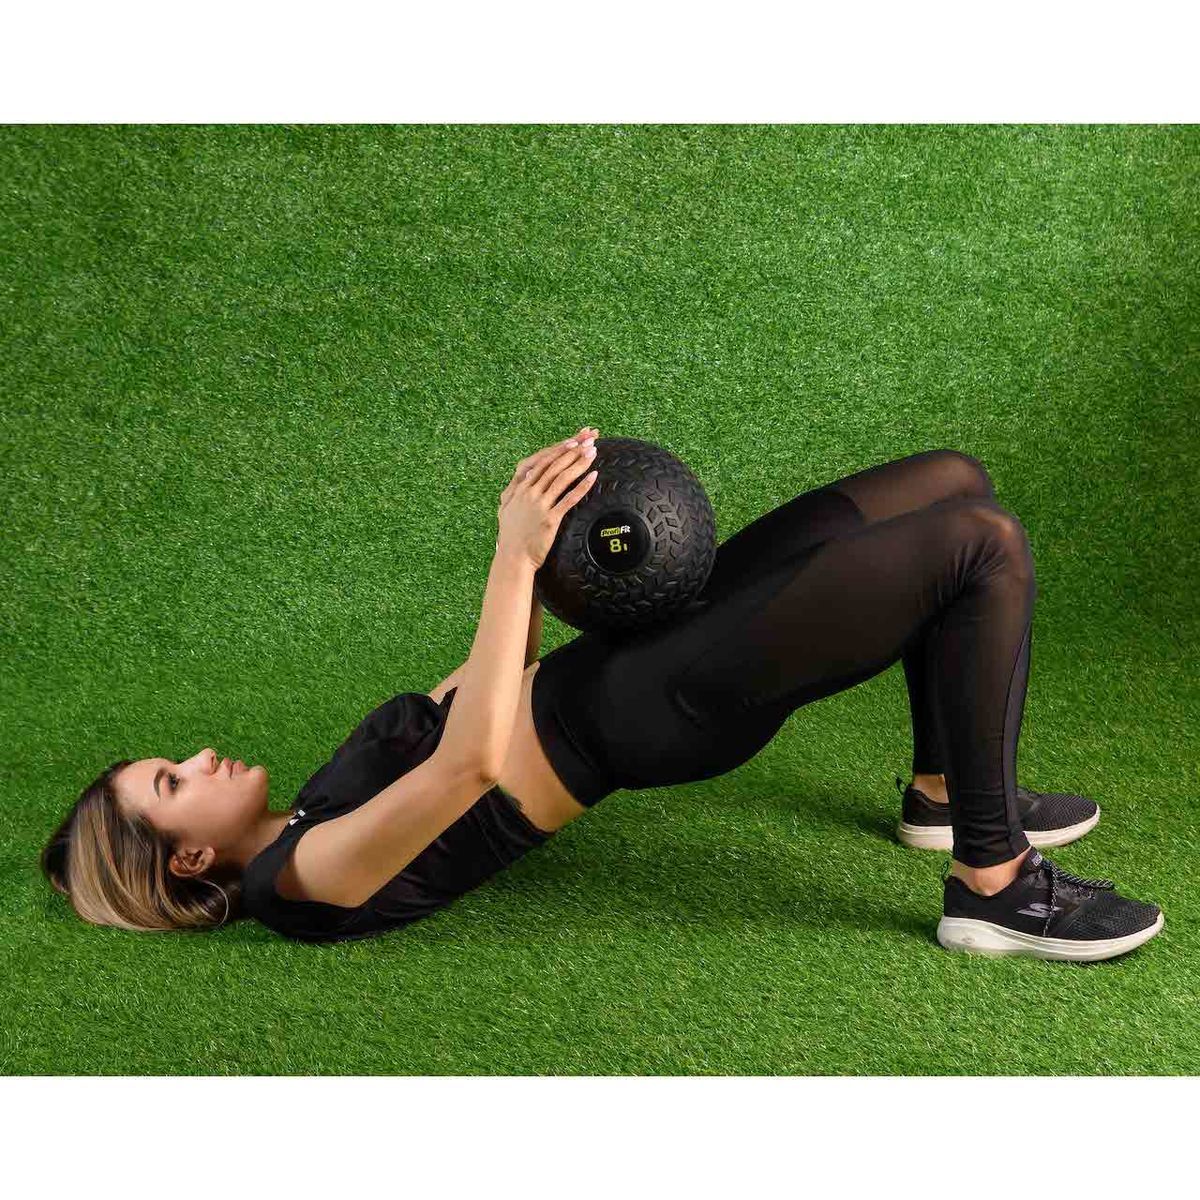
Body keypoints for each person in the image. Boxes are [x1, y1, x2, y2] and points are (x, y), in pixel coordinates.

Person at [41, 429, 1164, 961]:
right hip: (653, 711)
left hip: (624, 655)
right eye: (173, 782)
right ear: (187, 859)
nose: (198, 757)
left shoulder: (308, 811)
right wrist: (511, 552)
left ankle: (944, 791)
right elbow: (471, 763)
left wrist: (558, 551)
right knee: (981, 545)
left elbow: (476, 691)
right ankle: (992, 883)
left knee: (952, 478)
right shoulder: (299, 881)